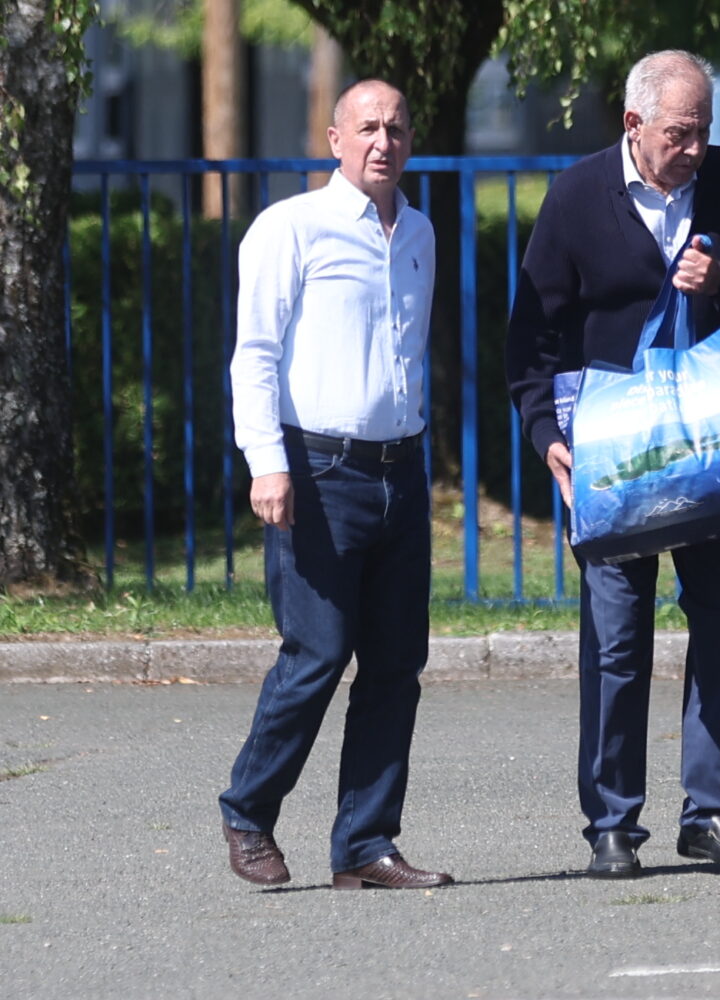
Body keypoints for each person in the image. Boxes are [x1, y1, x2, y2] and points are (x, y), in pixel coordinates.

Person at [506, 50, 720, 878]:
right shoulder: (576, 197)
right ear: (634, 124)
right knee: (615, 638)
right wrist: (546, 435)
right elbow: (532, 337)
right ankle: (611, 824)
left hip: (715, 449)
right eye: (680, 133)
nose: (696, 149)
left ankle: (712, 814)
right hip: (613, 454)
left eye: (704, 131)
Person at [219, 79, 452, 891]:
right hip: (318, 470)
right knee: (317, 653)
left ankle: (365, 843)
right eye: (368, 128)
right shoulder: (292, 228)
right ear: (334, 139)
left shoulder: (418, 231)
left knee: (395, 664)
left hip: (399, 468)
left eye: (396, 128)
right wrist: (267, 462)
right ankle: (248, 809)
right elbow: (255, 354)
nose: (383, 142)